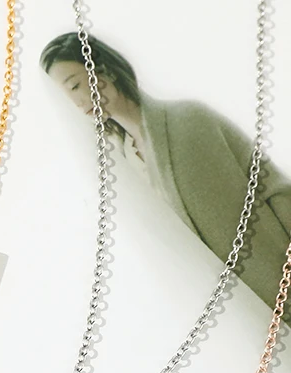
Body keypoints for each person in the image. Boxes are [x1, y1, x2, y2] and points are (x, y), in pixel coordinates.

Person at [41, 33, 291, 310]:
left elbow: (272, 185)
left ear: (104, 70)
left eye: (75, 85)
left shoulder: (189, 118)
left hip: (279, 279)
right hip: (240, 310)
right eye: (66, 97)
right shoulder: (126, 166)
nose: (76, 102)